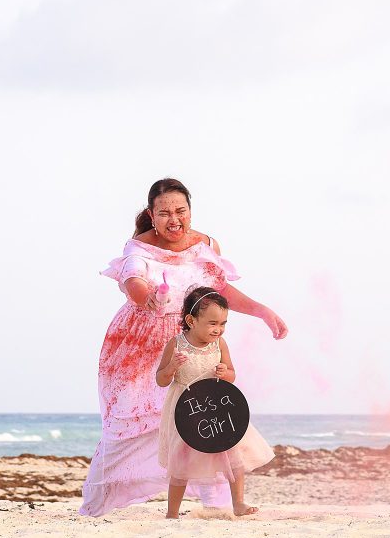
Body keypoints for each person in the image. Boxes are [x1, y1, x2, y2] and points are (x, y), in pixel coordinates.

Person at [79, 177, 287, 517]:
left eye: (181, 211)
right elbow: (133, 282)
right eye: (164, 213)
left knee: (202, 414)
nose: (174, 220)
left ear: (191, 211)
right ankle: (98, 504)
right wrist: (151, 299)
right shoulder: (139, 248)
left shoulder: (206, 246)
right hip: (137, 346)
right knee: (131, 422)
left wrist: (262, 311)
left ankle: (217, 505)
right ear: (151, 214)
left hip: (194, 339)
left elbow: (219, 293)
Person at [156, 287, 275, 518]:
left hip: (217, 407)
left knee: (233, 451)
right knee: (182, 459)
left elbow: (232, 373)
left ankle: (238, 503)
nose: (218, 329)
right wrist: (172, 368)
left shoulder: (219, 345)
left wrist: (225, 372)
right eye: (212, 323)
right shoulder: (176, 345)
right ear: (191, 320)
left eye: (223, 324)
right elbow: (161, 379)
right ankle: (172, 512)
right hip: (188, 409)